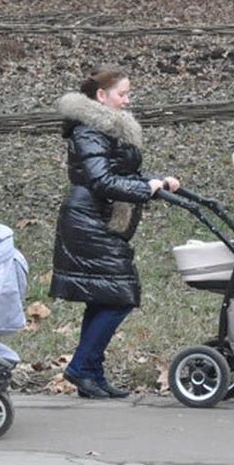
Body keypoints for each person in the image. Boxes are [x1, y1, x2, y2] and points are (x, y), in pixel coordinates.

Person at [49, 66, 180, 399]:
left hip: (99, 218)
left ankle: (92, 374)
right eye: (122, 93)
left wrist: (158, 182)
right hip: (88, 220)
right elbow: (100, 180)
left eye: (127, 93)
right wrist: (144, 189)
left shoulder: (107, 129)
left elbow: (121, 172)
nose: (127, 99)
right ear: (101, 96)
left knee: (103, 296)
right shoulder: (89, 131)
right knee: (120, 295)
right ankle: (80, 368)